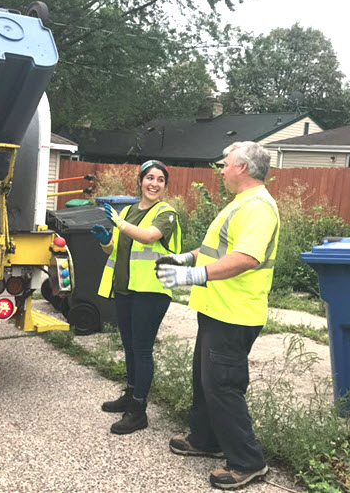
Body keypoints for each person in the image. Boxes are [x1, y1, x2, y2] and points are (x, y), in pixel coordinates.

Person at [155, 141, 279, 490]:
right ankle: (206, 439)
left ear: (242, 168)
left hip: (235, 313)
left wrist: (193, 276)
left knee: (224, 387)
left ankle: (248, 462)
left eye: (225, 165)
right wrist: (184, 259)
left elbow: (246, 258)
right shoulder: (239, 205)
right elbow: (214, 251)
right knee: (205, 381)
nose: (221, 170)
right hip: (217, 309)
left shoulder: (258, 208)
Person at [91, 159, 181, 435]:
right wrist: (107, 240)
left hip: (151, 291)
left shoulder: (166, 213)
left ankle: (139, 410)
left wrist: (118, 222)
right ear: (140, 181)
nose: (154, 183)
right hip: (126, 289)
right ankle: (130, 394)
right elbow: (115, 251)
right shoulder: (130, 210)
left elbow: (147, 237)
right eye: (149, 178)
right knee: (129, 346)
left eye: (160, 180)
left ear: (165, 185)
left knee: (142, 350)